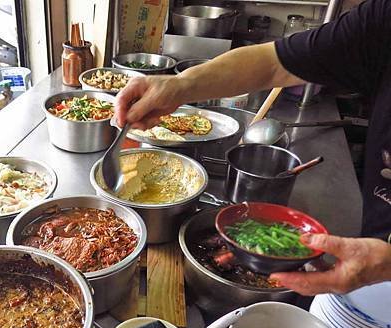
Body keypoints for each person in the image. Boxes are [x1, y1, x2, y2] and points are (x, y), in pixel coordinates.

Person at [115, 0, 391, 296]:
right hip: (371, 260)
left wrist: (386, 264)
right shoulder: (383, 19)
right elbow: (273, 62)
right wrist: (179, 86)